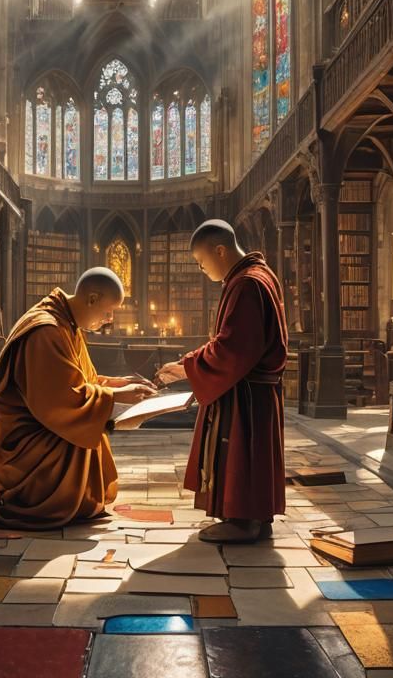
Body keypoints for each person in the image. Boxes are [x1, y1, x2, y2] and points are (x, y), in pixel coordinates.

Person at [0, 267, 156, 528]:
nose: (110, 319)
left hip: (41, 420)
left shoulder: (66, 324)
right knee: (45, 506)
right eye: (108, 311)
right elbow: (61, 402)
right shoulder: (47, 330)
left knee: (87, 436)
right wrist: (114, 397)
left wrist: (116, 384)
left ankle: (72, 499)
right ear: (91, 299)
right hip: (23, 435)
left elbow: (75, 381)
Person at [155, 220, 288, 543]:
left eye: (202, 262)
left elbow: (233, 348)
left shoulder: (246, 284)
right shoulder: (259, 275)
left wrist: (186, 368)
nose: (202, 270)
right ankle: (257, 516)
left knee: (240, 451)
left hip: (246, 393)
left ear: (220, 250)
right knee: (250, 453)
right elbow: (230, 341)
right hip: (255, 390)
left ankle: (243, 520)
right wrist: (189, 363)